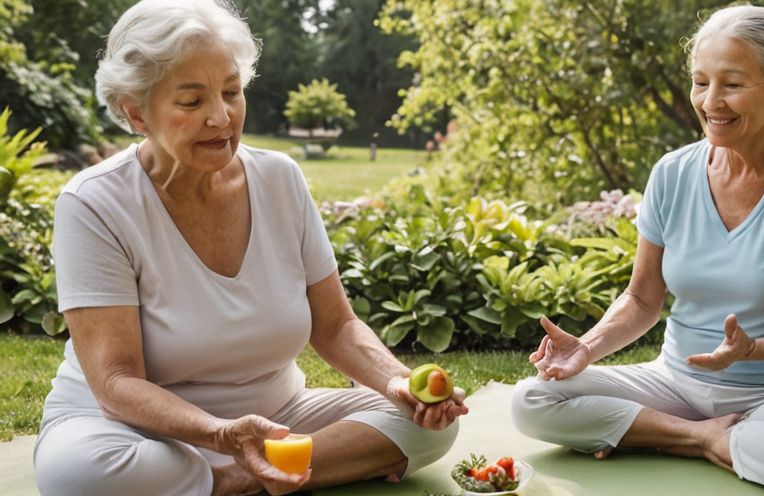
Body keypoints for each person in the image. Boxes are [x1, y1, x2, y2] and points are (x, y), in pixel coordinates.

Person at [33, 1, 466, 495]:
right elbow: (115, 381)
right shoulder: (94, 202)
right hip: (132, 428)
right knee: (79, 473)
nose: (221, 117)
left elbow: (337, 325)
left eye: (232, 93)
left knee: (425, 425)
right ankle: (256, 474)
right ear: (136, 112)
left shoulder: (280, 178)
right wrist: (220, 434)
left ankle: (235, 480)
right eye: (192, 102)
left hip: (276, 416)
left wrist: (397, 383)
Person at [511, 5, 764, 495]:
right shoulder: (672, 173)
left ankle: (658, 436)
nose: (710, 101)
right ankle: (699, 439)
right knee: (531, 399)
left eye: (733, 84)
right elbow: (641, 300)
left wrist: (752, 351)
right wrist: (585, 350)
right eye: (701, 82)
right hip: (676, 383)